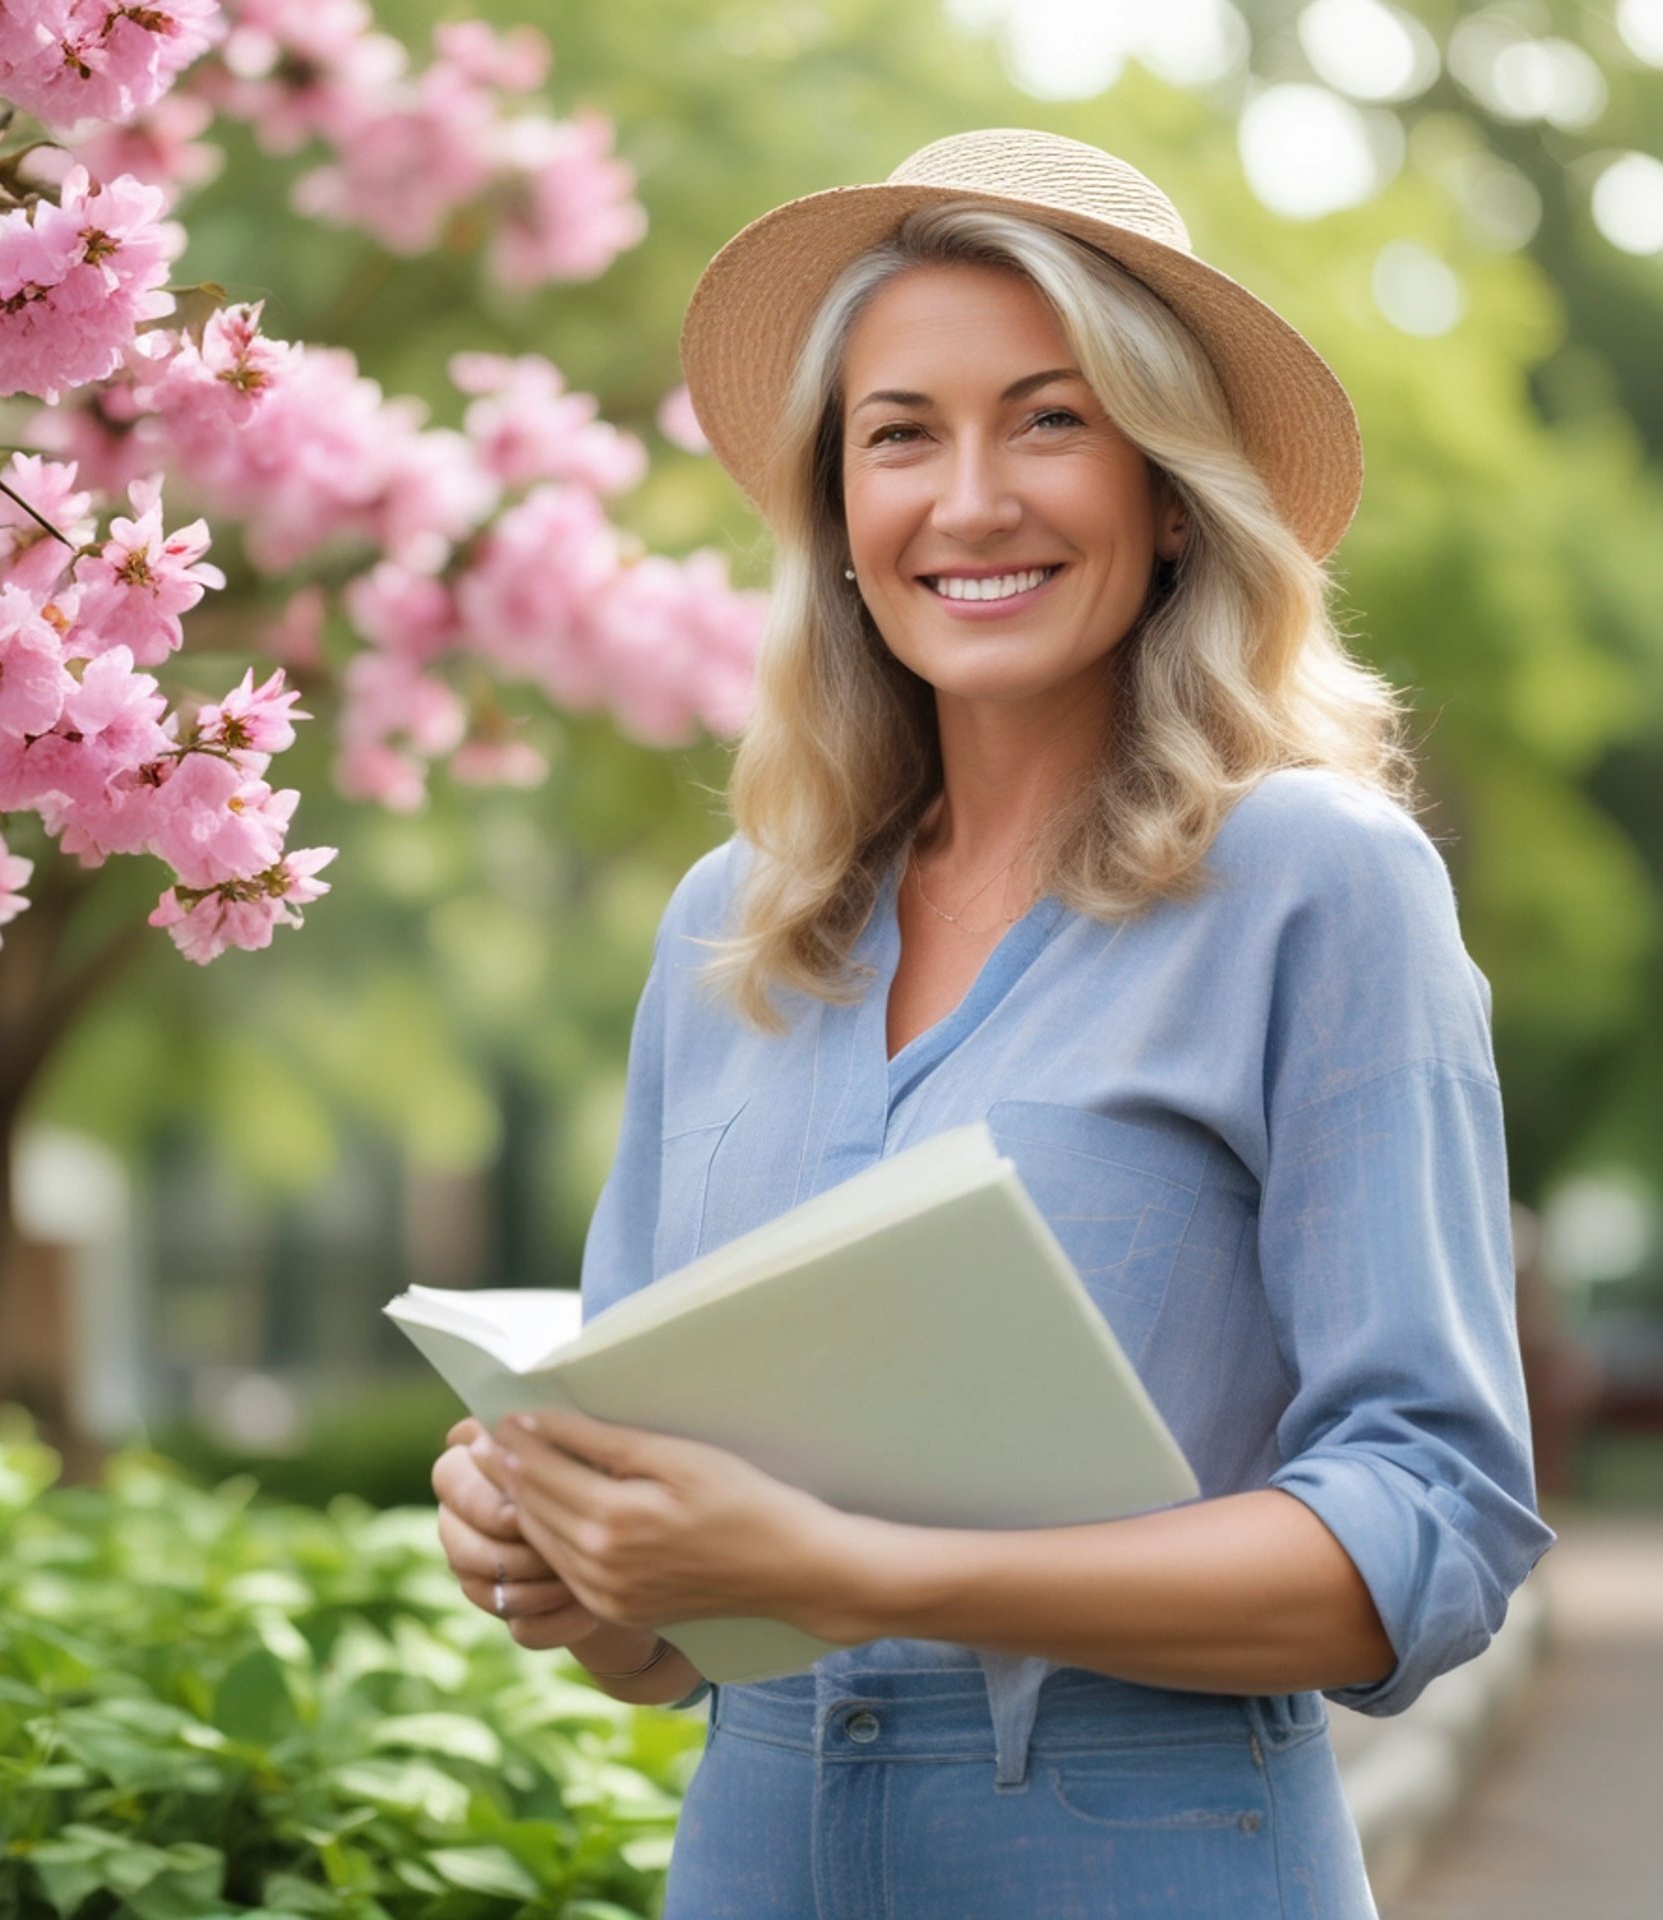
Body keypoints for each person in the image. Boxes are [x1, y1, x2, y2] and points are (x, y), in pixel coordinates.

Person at [430, 130, 1553, 1918]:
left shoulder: (1317, 886)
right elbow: (675, 1655)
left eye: (1051, 419)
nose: (969, 501)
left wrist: (870, 1566)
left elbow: (1429, 1533)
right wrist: (560, 1554)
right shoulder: (731, 925)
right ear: (838, 514)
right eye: (900, 434)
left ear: (1171, 489)